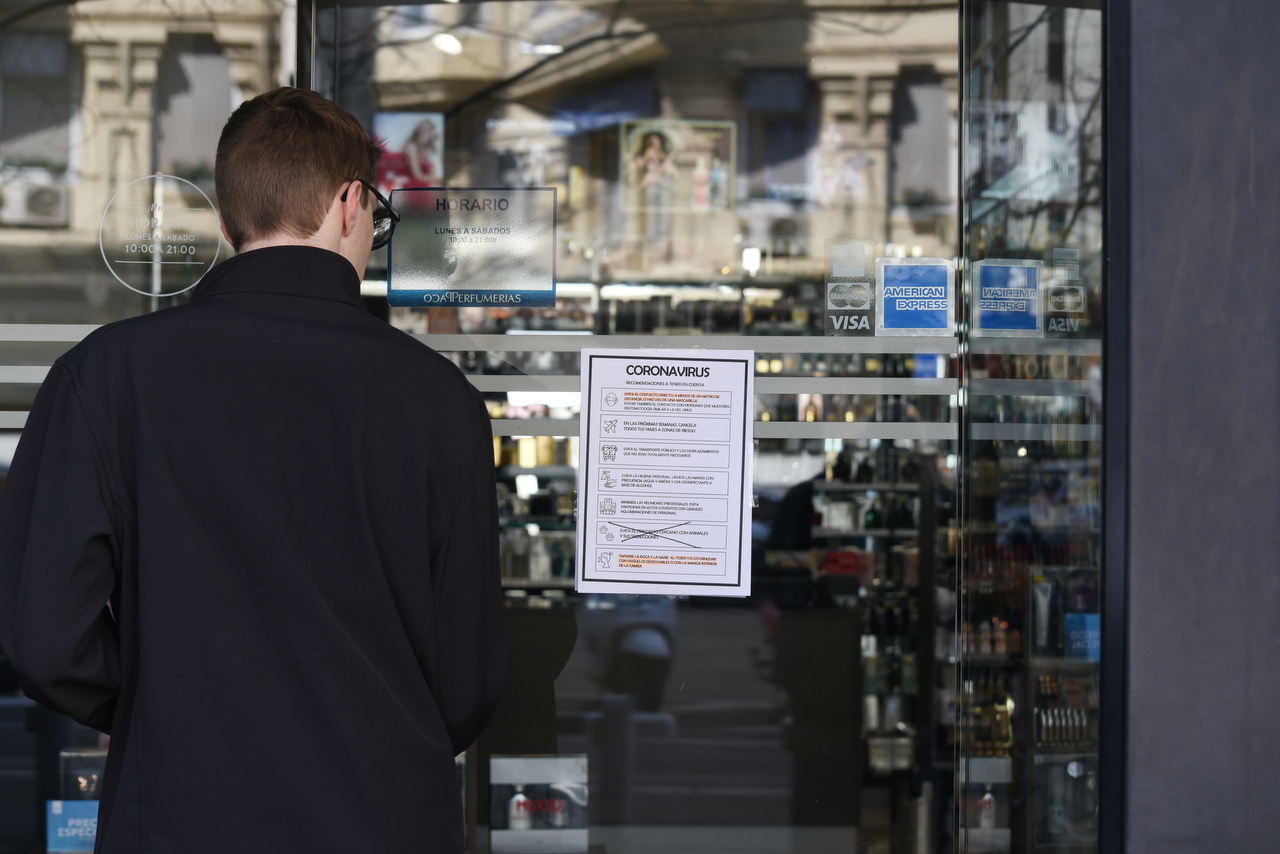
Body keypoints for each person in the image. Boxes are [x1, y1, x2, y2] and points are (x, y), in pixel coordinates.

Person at [0, 88, 505, 852]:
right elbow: (466, 678)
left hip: (178, 813)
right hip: (382, 814)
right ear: (348, 202)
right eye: (376, 212)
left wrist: (163, 705)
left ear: (232, 221)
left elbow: (45, 636)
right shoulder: (438, 398)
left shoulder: (106, 376)